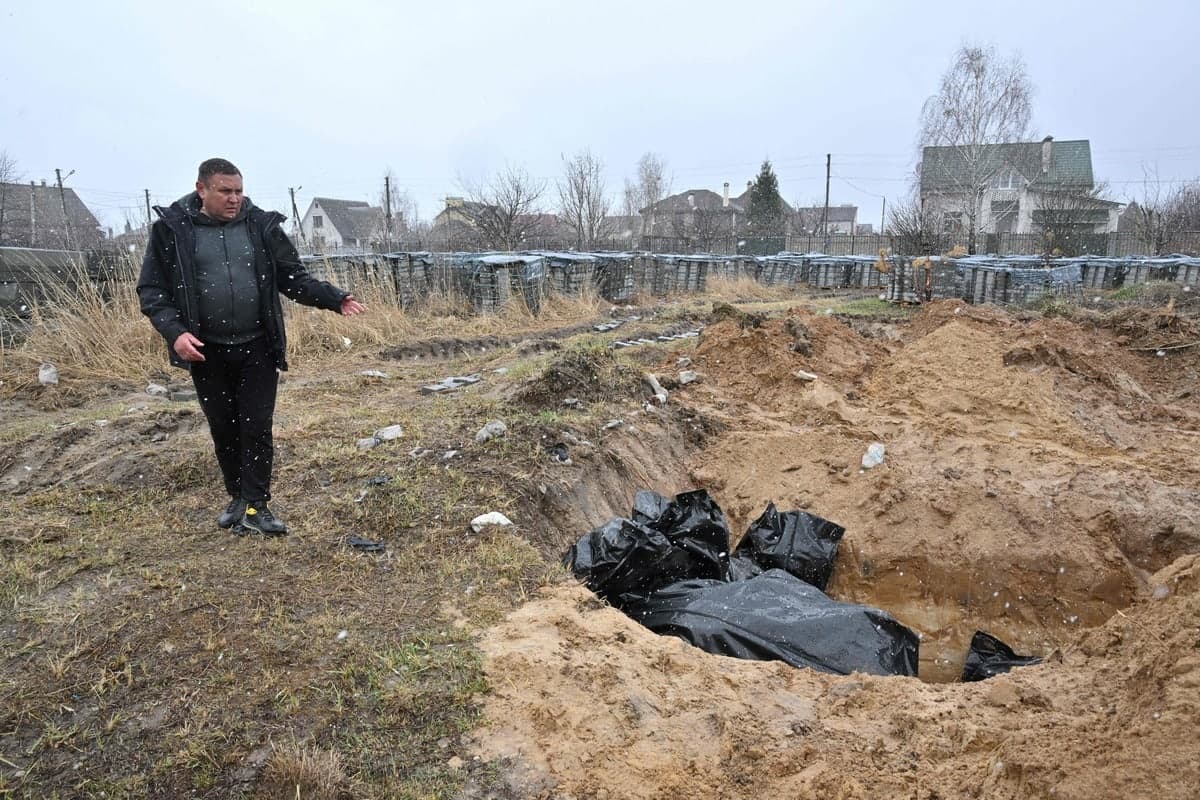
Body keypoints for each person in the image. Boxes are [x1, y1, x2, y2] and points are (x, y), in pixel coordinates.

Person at [138, 158, 365, 536]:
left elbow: (293, 277)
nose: (234, 199)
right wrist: (175, 333)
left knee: (256, 426)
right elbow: (152, 290)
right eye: (225, 191)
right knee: (224, 428)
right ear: (201, 190)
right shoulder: (172, 230)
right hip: (204, 349)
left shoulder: (261, 227)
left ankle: (258, 505)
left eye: (239, 191)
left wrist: (334, 298)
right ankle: (237, 498)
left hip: (257, 346)